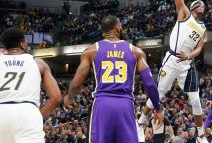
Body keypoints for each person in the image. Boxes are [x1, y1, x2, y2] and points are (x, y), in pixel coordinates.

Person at [138, 0, 208, 143]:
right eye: (199, 3)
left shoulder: (203, 28)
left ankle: (201, 135)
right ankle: (140, 123)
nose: (203, 5)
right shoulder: (184, 13)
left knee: (195, 99)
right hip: (172, 59)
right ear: (192, 7)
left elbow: (200, 48)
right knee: (158, 94)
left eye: (204, 4)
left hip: (187, 63)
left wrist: (190, 55)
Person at [64, 15, 163, 143]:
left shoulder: (91, 51)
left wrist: (69, 97)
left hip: (102, 104)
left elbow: (78, 81)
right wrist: (158, 109)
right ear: (117, 28)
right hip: (125, 105)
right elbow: (150, 84)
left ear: (103, 30)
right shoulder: (136, 51)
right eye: (121, 25)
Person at [0, 28, 61, 143]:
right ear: (23, 44)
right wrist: (38, 115)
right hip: (27, 111)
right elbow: (56, 97)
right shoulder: (38, 63)